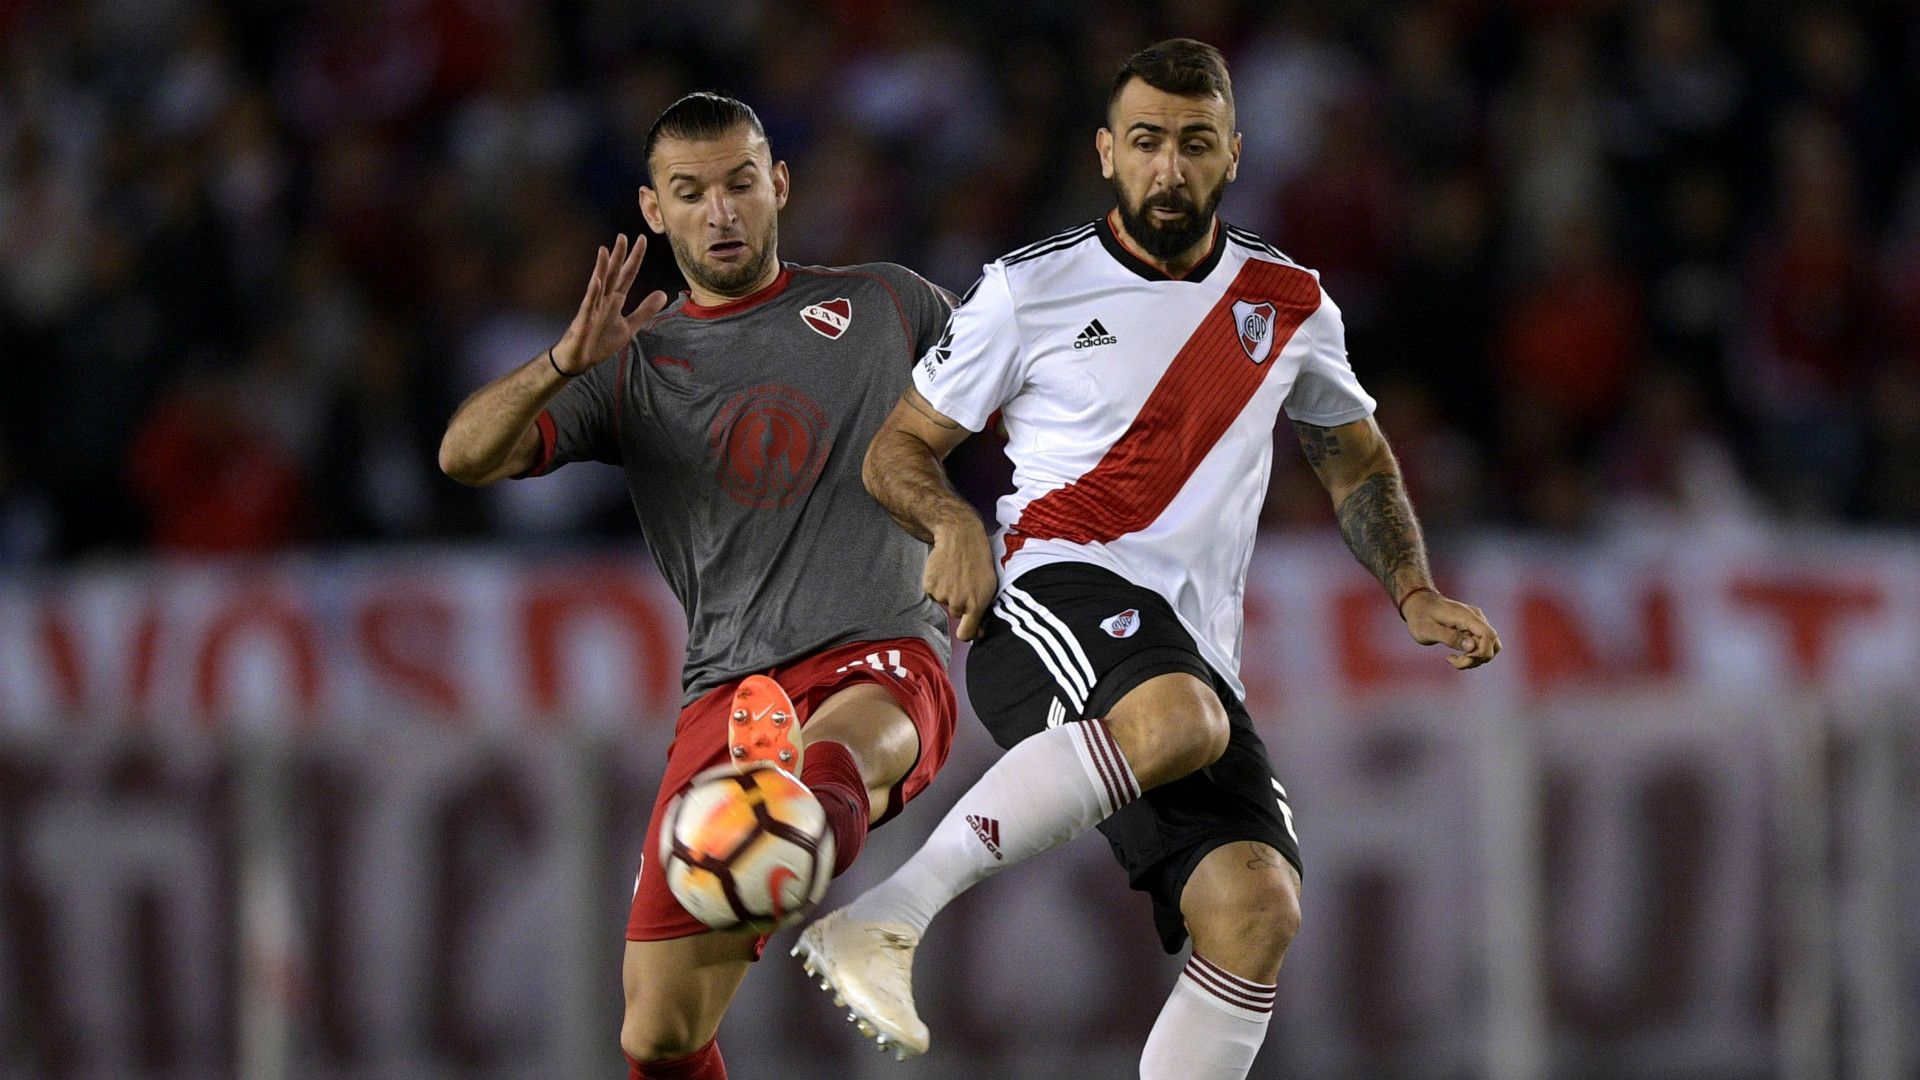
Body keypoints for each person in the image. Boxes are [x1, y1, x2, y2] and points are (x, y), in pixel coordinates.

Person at [794, 39, 1502, 1077]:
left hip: (1184, 655)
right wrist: (950, 525)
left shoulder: (1290, 302)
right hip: (1045, 601)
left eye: (1194, 143)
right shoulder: (1026, 291)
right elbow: (897, 447)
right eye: (1146, 142)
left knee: (1255, 908)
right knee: (1180, 718)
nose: (1168, 167)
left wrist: (1414, 589)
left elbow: (1354, 458)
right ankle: (885, 917)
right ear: (1105, 153)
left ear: (1233, 155)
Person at [437, 93, 960, 1080]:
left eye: (738, 184)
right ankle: (785, 792)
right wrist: (560, 365)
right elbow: (465, 455)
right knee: (659, 1035)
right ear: (653, 209)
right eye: (691, 193)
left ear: (779, 187)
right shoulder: (629, 363)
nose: (719, 211)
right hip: (727, 692)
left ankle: (807, 808)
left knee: (850, 745)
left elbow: (1030, 406)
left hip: (880, 648)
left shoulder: (893, 304)